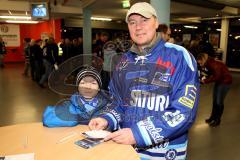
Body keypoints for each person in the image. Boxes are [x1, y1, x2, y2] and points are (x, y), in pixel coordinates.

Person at [88, 2, 200, 160]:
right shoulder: (123, 61)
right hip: (127, 150)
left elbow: (184, 111)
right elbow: (118, 102)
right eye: (132, 22)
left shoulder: (179, 56)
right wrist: (106, 119)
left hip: (165, 153)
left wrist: (138, 134)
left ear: (155, 23)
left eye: (144, 20)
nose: (138, 27)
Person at [43, 66, 110, 127]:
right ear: (78, 87)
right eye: (83, 83)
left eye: (93, 83)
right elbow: (48, 119)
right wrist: (78, 118)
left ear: (99, 88)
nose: (88, 87)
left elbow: (115, 124)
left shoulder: (107, 105)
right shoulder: (71, 104)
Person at [197, 53, 232, 127]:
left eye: (200, 63)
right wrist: (203, 79)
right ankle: (212, 117)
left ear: (203, 59)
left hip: (225, 82)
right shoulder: (208, 63)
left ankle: (217, 120)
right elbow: (210, 73)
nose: (200, 65)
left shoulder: (213, 63)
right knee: (215, 100)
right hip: (219, 81)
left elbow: (217, 76)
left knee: (219, 102)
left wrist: (205, 81)